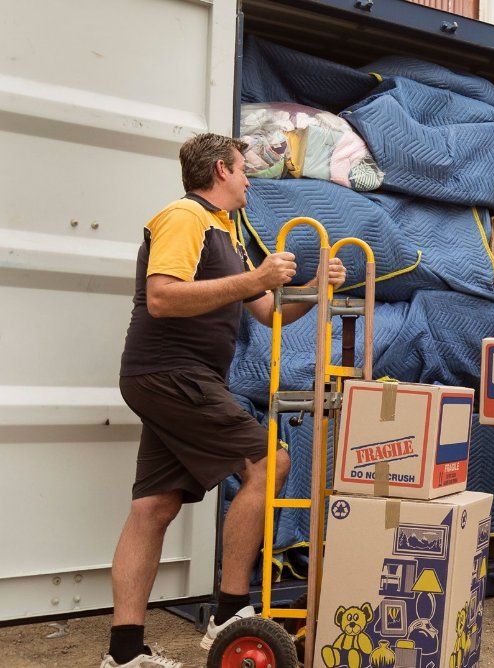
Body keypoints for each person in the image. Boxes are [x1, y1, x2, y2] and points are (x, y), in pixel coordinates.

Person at [102, 133, 346, 668]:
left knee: (155, 506)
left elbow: (268, 313)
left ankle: (124, 654)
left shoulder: (227, 231)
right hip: (171, 372)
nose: (249, 179)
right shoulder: (184, 217)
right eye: (243, 169)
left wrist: (315, 289)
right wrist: (257, 276)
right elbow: (162, 296)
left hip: (175, 377)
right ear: (220, 170)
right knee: (270, 461)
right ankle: (229, 614)